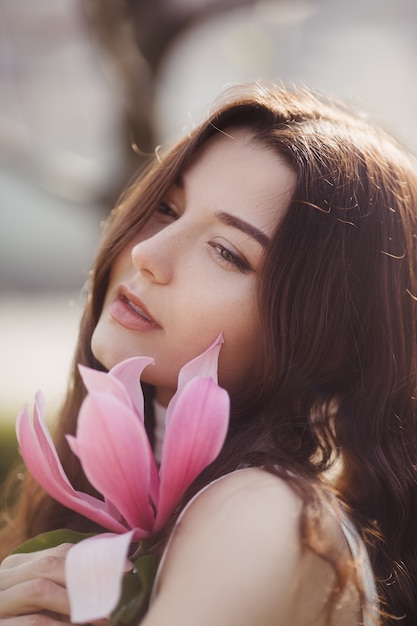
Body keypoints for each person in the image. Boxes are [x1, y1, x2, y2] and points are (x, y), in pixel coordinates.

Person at [1, 81, 417, 625]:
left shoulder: (262, 510)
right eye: (168, 210)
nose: (148, 254)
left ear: (329, 344)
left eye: (226, 251)